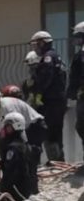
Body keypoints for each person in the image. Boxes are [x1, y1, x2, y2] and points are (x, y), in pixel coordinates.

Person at [0, 84, 45, 192]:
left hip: (34, 126)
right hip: (24, 128)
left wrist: (24, 145)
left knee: (28, 157)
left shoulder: (7, 106)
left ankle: (31, 187)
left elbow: (19, 125)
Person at [29, 30, 67, 162]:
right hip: (58, 99)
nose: (35, 48)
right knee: (56, 131)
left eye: (36, 45)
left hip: (51, 101)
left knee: (49, 131)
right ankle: (58, 160)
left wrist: (39, 93)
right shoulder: (57, 56)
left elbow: (46, 77)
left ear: (42, 43)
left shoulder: (48, 57)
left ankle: (55, 160)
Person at [0, 112, 36, 201]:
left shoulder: (13, 148)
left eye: (8, 127)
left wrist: (3, 188)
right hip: (26, 190)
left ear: (16, 127)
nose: (5, 129)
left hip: (16, 192)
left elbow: (10, 172)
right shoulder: (25, 145)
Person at [68, 21, 84, 157]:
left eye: (79, 36)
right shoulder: (80, 55)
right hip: (82, 96)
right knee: (81, 126)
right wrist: (71, 93)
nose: (77, 40)